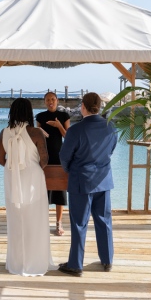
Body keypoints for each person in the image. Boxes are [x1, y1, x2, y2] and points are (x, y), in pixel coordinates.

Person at [57, 92, 117, 277]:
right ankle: (107, 260)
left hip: (81, 180)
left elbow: (64, 157)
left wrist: (70, 170)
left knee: (79, 223)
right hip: (103, 180)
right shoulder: (111, 128)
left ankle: (76, 264)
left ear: (83, 106)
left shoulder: (76, 130)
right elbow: (111, 151)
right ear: (99, 106)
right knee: (104, 221)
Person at [0, 98, 54, 276]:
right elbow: (45, 160)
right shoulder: (36, 132)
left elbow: (0, 160)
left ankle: (16, 262)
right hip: (33, 180)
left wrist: (15, 163)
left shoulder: (3, 132)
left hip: (12, 179)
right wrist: (30, 165)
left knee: (15, 220)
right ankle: (35, 261)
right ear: (29, 112)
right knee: (35, 220)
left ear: (12, 112)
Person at [35, 92, 71, 236]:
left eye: (53, 99)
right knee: (42, 191)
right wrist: (40, 133)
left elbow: (68, 137)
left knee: (59, 191)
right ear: (44, 102)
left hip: (59, 157)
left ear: (57, 101)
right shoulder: (40, 117)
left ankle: (58, 223)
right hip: (43, 157)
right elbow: (35, 137)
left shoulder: (64, 116)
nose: (51, 102)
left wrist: (58, 126)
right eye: (48, 100)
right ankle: (42, 223)